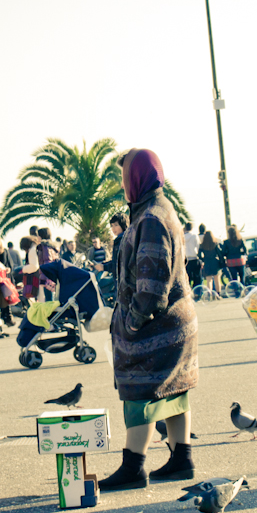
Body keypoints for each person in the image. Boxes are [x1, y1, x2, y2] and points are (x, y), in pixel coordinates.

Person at [99, 149, 198, 490]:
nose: (122, 184)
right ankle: (181, 458)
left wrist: (133, 322)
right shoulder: (155, 209)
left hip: (157, 326)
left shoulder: (150, 218)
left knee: (140, 391)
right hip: (175, 321)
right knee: (174, 387)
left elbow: (152, 285)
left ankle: (133, 466)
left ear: (136, 177)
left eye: (124, 176)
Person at [19, 235, 42, 303]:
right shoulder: (37, 247)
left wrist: (23, 269)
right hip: (41, 276)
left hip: (36, 277)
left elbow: (34, 266)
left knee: (39, 299)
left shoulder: (32, 250)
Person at [183, 222, 202, 287]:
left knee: (187, 277)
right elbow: (198, 246)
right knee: (197, 277)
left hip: (186, 258)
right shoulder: (194, 236)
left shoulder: (182, 237)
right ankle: (196, 291)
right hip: (194, 257)